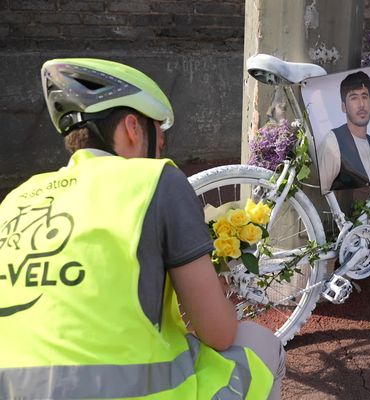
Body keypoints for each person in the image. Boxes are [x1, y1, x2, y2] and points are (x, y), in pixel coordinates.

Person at [0, 58, 285, 399]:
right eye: (160, 143)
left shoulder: (18, 198)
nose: (161, 152)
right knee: (261, 344)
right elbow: (219, 334)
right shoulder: (156, 181)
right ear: (133, 128)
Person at [318, 71, 370, 193]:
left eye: (365, 97)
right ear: (344, 107)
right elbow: (321, 190)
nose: (361, 105)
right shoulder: (333, 142)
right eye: (354, 98)